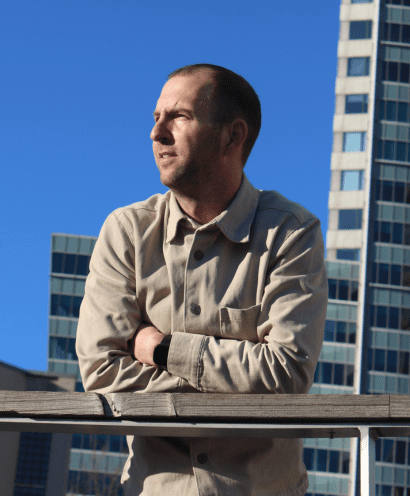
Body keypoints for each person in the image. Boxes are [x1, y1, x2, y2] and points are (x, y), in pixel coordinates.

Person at [76, 63, 328, 496]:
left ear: (233, 135)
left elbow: (286, 374)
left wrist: (163, 349)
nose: (156, 134)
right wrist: (234, 384)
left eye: (179, 116)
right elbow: (102, 372)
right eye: (156, 117)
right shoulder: (127, 232)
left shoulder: (290, 233)